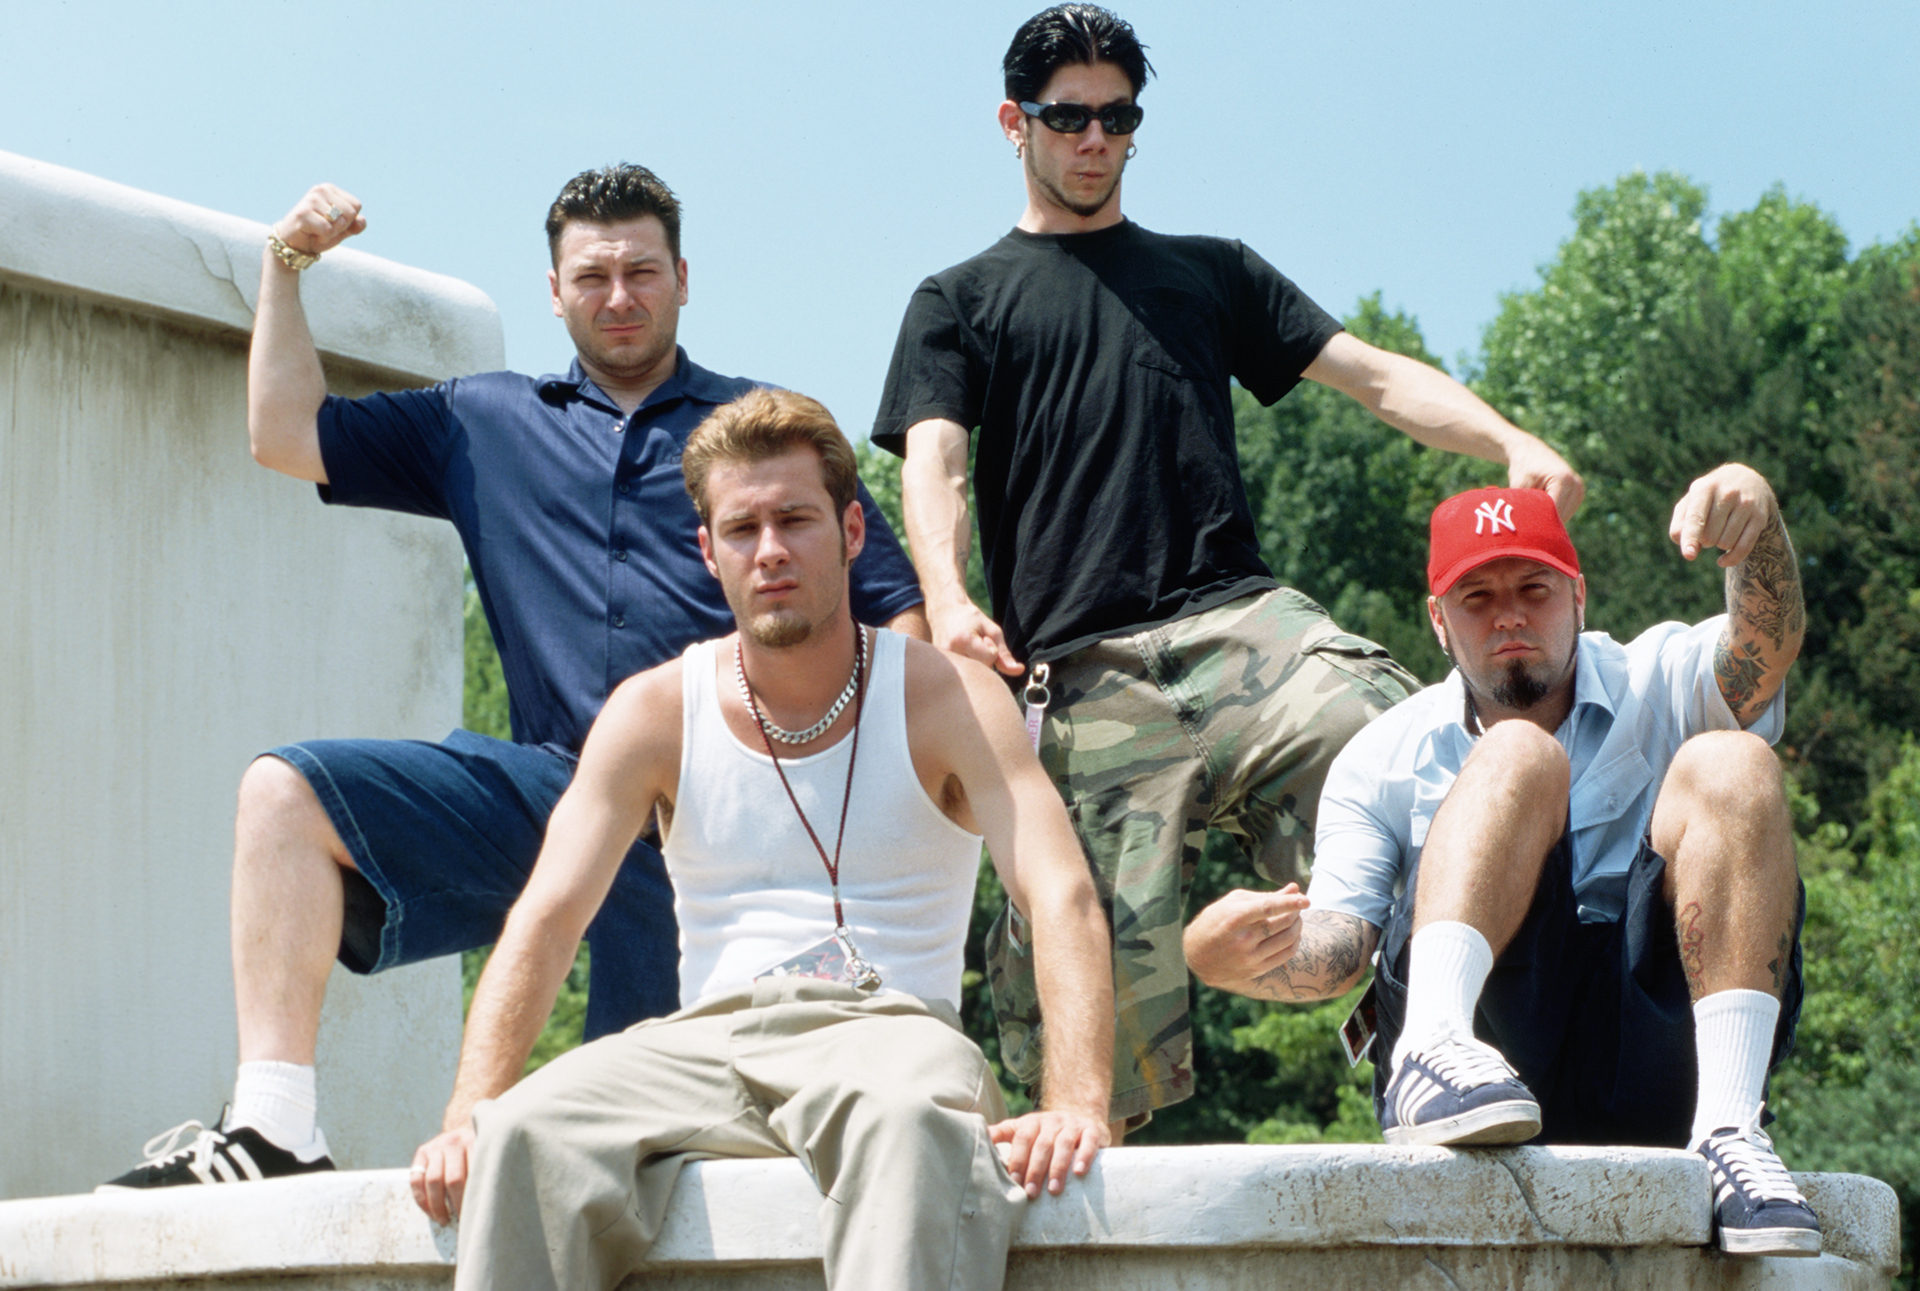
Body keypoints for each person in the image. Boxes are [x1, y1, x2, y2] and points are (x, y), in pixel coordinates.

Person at [102, 166, 927, 1189]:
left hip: (719, 815)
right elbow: (283, 434)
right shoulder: (481, 421)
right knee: (283, 794)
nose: (617, 296)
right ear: (552, 290)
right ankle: (275, 1128)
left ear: (682, 278)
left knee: (649, 1159)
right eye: (592, 276)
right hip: (548, 792)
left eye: (640, 271)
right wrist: (284, 268)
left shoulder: (762, 447)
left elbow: (897, 618)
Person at [870, 3, 1583, 1127]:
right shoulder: (960, 301)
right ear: (1016, 122)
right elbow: (937, 460)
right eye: (1069, 118)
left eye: (1118, 117)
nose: (1095, 139)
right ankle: (1086, 1173)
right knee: (1082, 985)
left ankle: (1434, 1034)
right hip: (1084, 663)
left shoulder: (1206, 273)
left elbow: (1376, 377)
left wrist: (1508, 441)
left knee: (1417, 743)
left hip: (1244, 624)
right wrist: (950, 599)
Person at [406, 389, 1113, 1291]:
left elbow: (1060, 892)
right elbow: (546, 917)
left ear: (854, 530)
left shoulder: (945, 695)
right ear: (708, 551)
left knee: (911, 1121)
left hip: (887, 1034)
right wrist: (470, 1108)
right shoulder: (656, 710)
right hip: (708, 1040)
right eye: (741, 528)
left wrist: (1077, 1101)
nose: (770, 550)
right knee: (523, 1134)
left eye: (796, 519)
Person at [1200, 470, 1817, 1257]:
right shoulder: (1384, 756)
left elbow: (1763, 647)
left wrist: (1758, 525)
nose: (1512, 617)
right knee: (1519, 751)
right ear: (1438, 621)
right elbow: (1342, 946)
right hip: (1488, 1050)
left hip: (1657, 1053)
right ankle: (1433, 1045)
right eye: (1478, 598)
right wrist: (1236, 959)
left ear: (1579, 595)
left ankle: (1731, 1130)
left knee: (1738, 761)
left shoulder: (1657, 676)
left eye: (1535, 587)